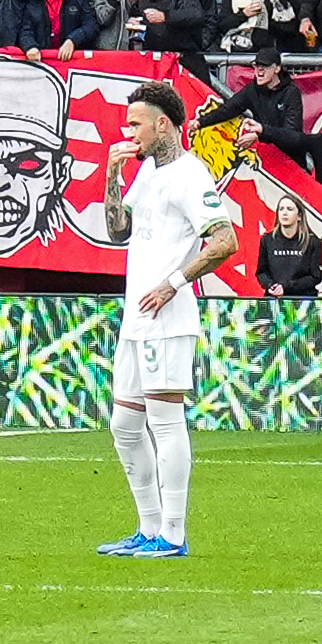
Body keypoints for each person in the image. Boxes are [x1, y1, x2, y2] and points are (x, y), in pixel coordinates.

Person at [100, 88, 272, 562]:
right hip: (136, 316)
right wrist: (112, 174)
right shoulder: (147, 174)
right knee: (124, 426)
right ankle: (148, 527)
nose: (129, 132)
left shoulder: (190, 174)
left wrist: (174, 282)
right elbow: (118, 231)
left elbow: (225, 240)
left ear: (163, 125)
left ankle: (173, 534)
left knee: (164, 420)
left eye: (137, 124)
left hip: (166, 317)